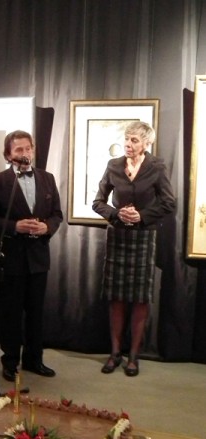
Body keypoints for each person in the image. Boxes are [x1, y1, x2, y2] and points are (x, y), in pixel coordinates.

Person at [92, 121, 176, 376]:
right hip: (118, 236)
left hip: (143, 236)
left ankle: (133, 356)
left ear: (146, 143)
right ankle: (115, 353)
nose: (128, 144)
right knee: (116, 298)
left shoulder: (156, 167)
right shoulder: (113, 165)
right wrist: (116, 214)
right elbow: (98, 202)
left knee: (140, 299)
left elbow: (169, 203)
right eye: (127, 139)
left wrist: (142, 215)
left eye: (134, 140)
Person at [0, 130, 63, 382]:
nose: (25, 153)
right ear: (8, 155)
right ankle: (10, 361)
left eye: (28, 148)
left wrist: (47, 227)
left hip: (39, 257)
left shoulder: (47, 178)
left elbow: (57, 215)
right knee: (11, 313)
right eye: (19, 149)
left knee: (36, 312)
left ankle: (34, 359)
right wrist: (14, 226)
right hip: (12, 257)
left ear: (33, 150)